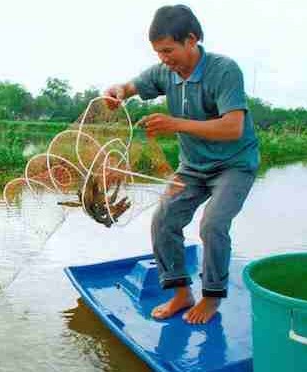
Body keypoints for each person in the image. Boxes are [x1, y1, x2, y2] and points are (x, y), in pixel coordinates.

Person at [104, 5, 259, 324]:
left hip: (233, 165)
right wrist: (118, 92)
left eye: (168, 50)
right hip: (192, 167)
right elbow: (130, 86)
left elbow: (233, 128)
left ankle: (212, 297)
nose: (163, 58)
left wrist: (177, 124)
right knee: (163, 219)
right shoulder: (165, 72)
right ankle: (181, 293)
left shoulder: (224, 70)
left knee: (213, 224)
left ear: (191, 40)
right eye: (158, 52)